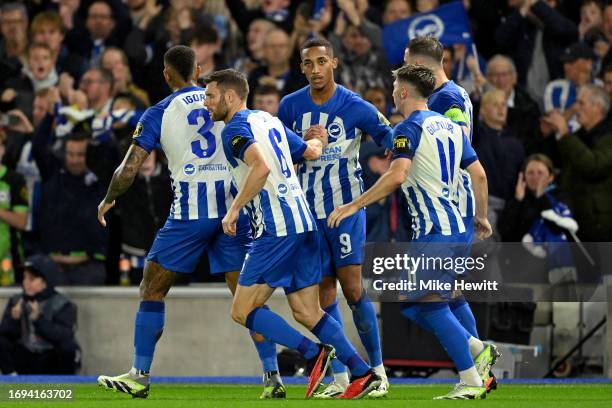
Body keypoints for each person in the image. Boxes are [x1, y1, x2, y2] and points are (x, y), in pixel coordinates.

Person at [95, 45, 283, 400]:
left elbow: (130, 168)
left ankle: (140, 374)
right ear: (199, 70)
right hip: (233, 212)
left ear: (166, 75)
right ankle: (272, 376)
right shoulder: (223, 99)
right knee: (247, 301)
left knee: (151, 288)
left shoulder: (158, 112)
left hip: (189, 217)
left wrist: (108, 198)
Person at [203, 68, 382, 400]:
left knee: (241, 311)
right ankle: (362, 372)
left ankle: (314, 354)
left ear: (230, 97)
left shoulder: (235, 130)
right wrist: (319, 138)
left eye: (210, 96)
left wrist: (234, 208)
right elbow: (310, 152)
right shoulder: (268, 120)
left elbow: (261, 167)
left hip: (277, 229)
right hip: (304, 221)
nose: (206, 103)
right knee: (307, 312)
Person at [328, 64, 496, 400]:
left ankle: (471, 377)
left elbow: (397, 175)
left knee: (429, 305)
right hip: (456, 228)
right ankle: (476, 346)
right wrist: (481, 216)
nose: (392, 93)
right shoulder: (448, 126)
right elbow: (478, 173)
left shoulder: (409, 129)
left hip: (436, 231)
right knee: (410, 303)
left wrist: (353, 205)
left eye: (394, 88)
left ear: (403, 92)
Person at [277, 37, 392, 398]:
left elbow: (390, 139)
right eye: (308, 63)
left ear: (334, 63)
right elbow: (279, 158)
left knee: (354, 289)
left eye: (321, 62)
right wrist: (303, 146)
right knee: (325, 294)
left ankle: (377, 371)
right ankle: (342, 376)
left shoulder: (355, 105)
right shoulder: (289, 106)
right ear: (301, 68)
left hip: (344, 211)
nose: (315, 69)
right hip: (307, 216)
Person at [403, 36, 499, 393]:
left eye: (407, 64)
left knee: (426, 299)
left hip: (444, 203)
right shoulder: (457, 93)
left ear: (420, 66)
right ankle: (477, 368)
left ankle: (474, 362)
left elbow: (456, 143)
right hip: (451, 203)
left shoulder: (444, 100)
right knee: (446, 294)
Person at [541, 84, 612, 242]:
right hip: (577, 223)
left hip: (602, 228)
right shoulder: (579, 136)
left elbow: (593, 166)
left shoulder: (608, 137)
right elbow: (553, 161)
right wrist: (549, 134)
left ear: (597, 107)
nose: (575, 108)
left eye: (581, 103)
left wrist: (565, 134)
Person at [0, 254, 80, 374]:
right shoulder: (16, 301)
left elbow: (63, 337)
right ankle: (12, 379)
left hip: (49, 359)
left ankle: (65, 384)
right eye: (24, 278)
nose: (26, 283)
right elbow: (6, 336)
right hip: (25, 357)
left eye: (32, 279)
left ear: (45, 281)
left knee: (68, 348)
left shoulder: (62, 304)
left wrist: (39, 320)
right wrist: (14, 320)